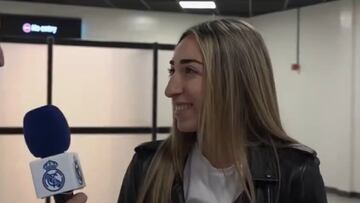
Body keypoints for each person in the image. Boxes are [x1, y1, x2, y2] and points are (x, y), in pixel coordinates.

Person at [68, 19, 327, 203]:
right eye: (173, 70)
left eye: (189, 70)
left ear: (235, 81)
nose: (170, 89)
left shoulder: (296, 173)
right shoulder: (148, 165)